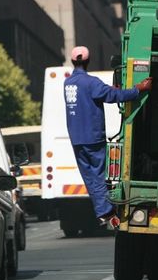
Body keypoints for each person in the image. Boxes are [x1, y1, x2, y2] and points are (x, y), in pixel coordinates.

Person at [64, 46, 152, 227]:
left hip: (77, 138)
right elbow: (113, 96)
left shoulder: (68, 83)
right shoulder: (91, 82)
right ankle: (104, 211)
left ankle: (103, 211)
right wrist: (138, 89)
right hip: (93, 137)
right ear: (88, 61)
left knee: (89, 176)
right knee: (97, 175)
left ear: (73, 61)